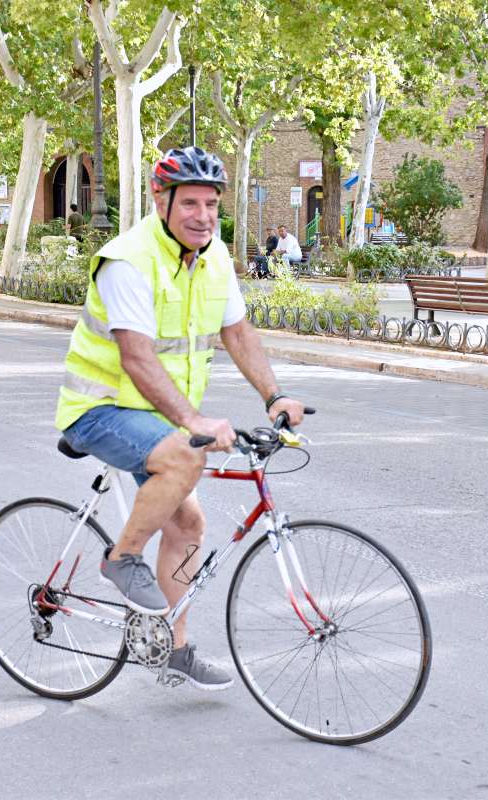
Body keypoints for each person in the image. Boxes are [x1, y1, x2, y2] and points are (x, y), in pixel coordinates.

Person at [55, 146, 308, 690]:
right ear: (160, 200)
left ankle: (174, 646)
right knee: (184, 457)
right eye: (190, 203)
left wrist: (274, 396)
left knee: (190, 523)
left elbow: (237, 332)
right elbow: (137, 357)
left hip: (155, 419)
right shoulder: (128, 260)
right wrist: (195, 421)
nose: (203, 215)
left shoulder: (214, 258)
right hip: (99, 411)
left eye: (212, 204)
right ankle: (122, 558)